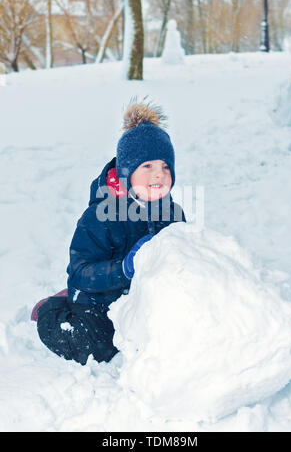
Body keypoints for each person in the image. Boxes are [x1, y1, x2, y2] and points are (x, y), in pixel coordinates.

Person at [35, 99, 186, 365]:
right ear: (127, 172)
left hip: (143, 298)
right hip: (98, 299)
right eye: (147, 167)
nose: (159, 175)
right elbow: (80, 272)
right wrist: (124, 268)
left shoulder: (172, 212)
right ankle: (52, 310)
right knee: (99, 349)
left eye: (165, 166)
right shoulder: (99, 216)